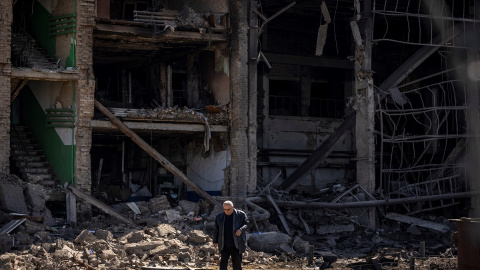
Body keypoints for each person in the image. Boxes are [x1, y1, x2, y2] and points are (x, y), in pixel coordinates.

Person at [213, 200, 249, 270]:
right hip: (224, 244)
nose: (226, 211)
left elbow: (246, 224)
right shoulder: (219, 217)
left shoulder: (240, 214)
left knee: (237, 265)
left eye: (228, 209)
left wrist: (241, 230)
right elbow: (216, 230)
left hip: (236, 244)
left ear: (233, 207)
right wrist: (215, 241)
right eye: (225, 209)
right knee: (223, 264)